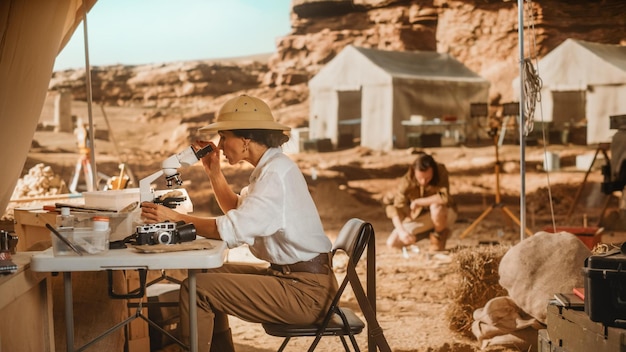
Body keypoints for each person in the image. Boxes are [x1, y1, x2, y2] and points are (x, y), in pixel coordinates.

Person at [140, 94, 337, 351]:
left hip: (306, 295)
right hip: (293, 279)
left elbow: (231, 230)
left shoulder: (275, 174)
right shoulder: (271, 168)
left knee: (197, 289)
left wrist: (175, 218)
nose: (220, 146)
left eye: (224, 137)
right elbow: (237, 209)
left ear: (246, 140)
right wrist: (214, 172)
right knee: (203, 274)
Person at [384, 152, 457, 252]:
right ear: (414, 171)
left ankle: (438, 238)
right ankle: (422, 235)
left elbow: (445, 198)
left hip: (444, 214)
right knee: (392, 243)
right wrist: (402, 232)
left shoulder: (440, 171)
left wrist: (419, 202)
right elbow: (396, 208)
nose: (423, 182)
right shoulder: (406, 181)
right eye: (420, 178)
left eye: (427, 178)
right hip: (420, 217)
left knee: (436, 207)